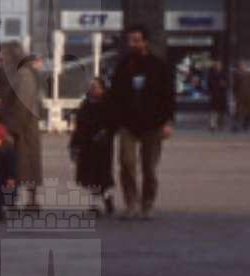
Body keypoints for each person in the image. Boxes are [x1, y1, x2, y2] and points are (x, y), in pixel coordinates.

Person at [108, 26, 176, 219]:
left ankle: (147, 204)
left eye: (136, 40)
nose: (132, 44)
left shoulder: (159, 66)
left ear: (145, 42)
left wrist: (168, 122)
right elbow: (115, 95)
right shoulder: (123, 65)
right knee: (126, 163)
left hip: (153, 124)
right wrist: (115, 120)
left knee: (149, 168)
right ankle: (131, 203)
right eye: (130, 40)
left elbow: (169, 96)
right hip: (128, 124)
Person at [0, 41, 46, 205]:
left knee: (24, 164)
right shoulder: (16, 73)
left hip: (23, 128)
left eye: (3, 56)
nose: (1, 60)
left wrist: (12, 128)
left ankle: (28, 200)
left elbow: (22, 104)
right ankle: (19, 200)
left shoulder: (23, 75)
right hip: (20, 126)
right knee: (18, 165)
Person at [69, 76, 117, 214]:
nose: (92, 90)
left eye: (95, 87)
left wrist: (104, 133)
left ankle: (97, 203)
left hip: (102, 146)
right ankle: (104, 199)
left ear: (102, 89)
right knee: (90, 177)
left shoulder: (108, 104)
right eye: (91, 87)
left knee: (101, 176)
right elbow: (79, 127)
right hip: (87, 146)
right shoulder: (85, 105)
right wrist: (74, 145)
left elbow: (112, 123)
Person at [232, 63, 250, 132]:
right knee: (239, 112)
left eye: (244, 66)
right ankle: (236, 126)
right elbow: (234, 87)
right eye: (241, 67)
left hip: (249, 97)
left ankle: (246, 125)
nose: (242, 68)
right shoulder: (236, 75)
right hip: (240, 97)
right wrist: (236, 96)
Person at [205, 62, 229, 133]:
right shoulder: (211, 74)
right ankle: (213, 125)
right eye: (217, 66)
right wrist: (217, 83)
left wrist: (224, 84)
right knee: (213, 111)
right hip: (214, 95)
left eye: (219, 66)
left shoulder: (224, 74)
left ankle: (221, 125)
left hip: (222, 95)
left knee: (221, 112)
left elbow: (227, 83)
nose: (218, 67)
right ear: (215, 67)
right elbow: (209, 84)